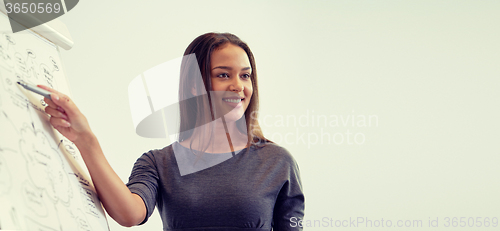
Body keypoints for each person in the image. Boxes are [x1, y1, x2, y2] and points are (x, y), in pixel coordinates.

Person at [40, 32, 305, 230]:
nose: (238, 86)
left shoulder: (277, 162)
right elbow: (129, 214)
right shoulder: (159, 163)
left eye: (245, 75)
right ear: (194, 85)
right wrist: (86, 140)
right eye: (223, 75)